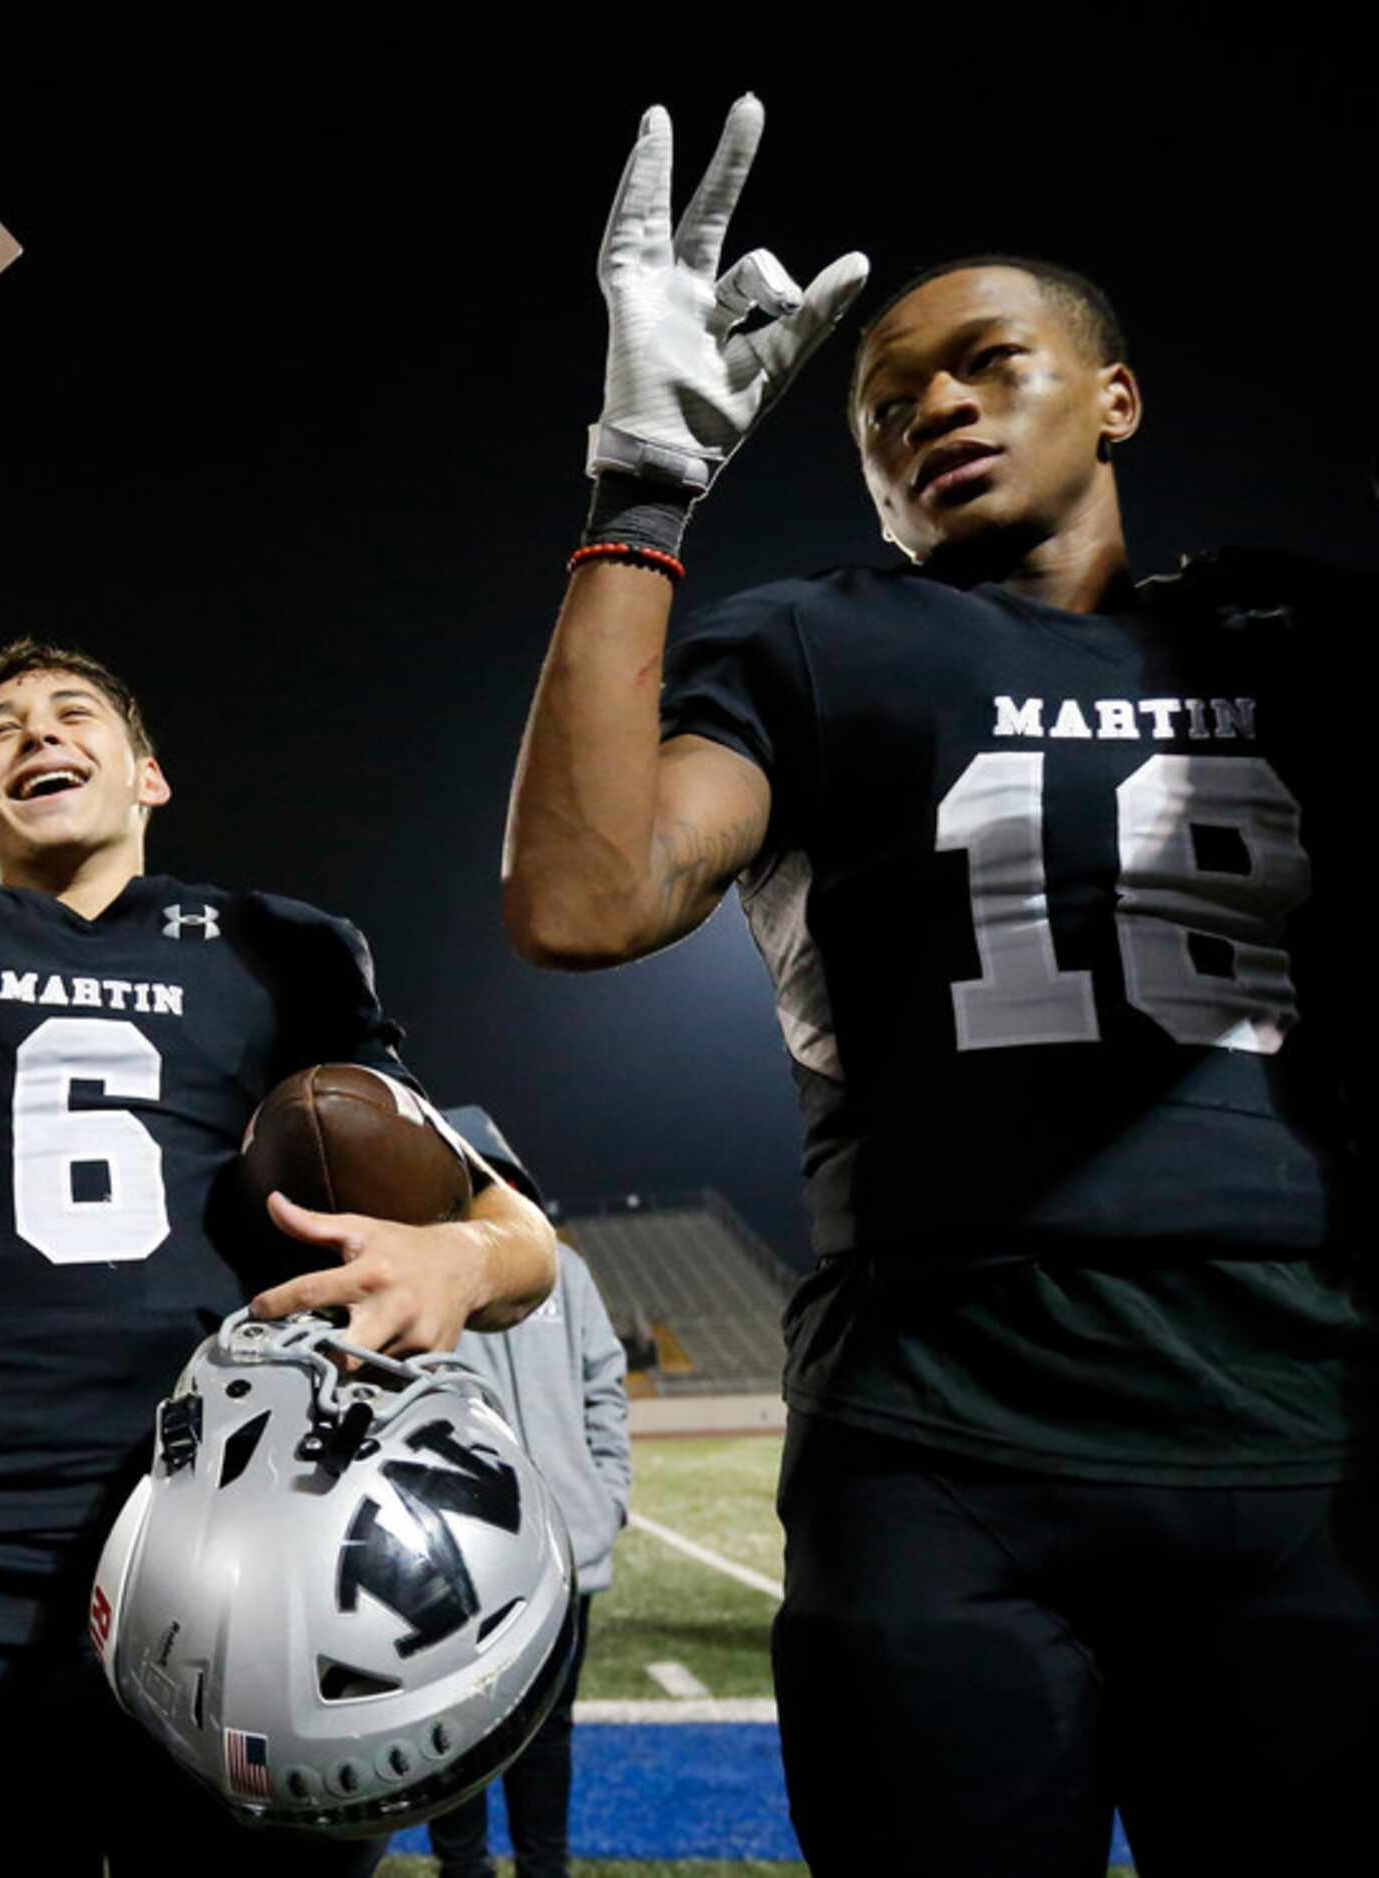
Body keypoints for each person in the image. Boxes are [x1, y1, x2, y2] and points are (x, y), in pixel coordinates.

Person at [497, 97, 1373, 1874]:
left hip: (1306, 1415)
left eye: (989, 366)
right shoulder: (821, 637)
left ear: (1114, 394)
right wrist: (644, 487)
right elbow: (585, 896)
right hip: (944, 1425)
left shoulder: (1294, 637)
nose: (934, 411)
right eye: (887, 407)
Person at [0, 358, 561, 1878]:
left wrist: (458, 1268)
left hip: (241, 1568)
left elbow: (508, 1228)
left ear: (147, 771)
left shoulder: (284, 946)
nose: (32, 729)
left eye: (71, 709)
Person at [422, 1108, 629, 1878]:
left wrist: (603, 1503)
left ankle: (546, 1868)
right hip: (458, 1560)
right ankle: (464, 1869)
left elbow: (605, 1388)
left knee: (549, 1733)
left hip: (567, 1549)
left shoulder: (566, 1272)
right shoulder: (423, 1272)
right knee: (453, 1733)